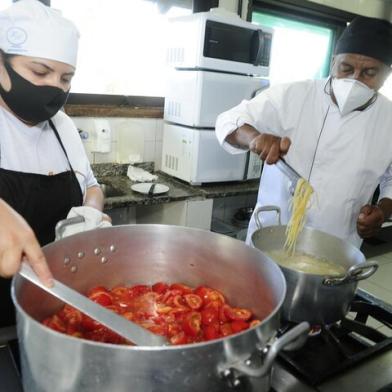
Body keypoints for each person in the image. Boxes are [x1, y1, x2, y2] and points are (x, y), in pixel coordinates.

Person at [215, 16, 392, 247]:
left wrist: (382, 210)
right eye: (346, 68)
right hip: (270, 234)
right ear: (332, 62)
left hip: (336, 244)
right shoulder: (293, 95)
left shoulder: (388, 118)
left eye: (369, 73)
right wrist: (254, 138)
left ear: (387, 73)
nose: (354, 80)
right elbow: (228, 121)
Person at [0, 0, 108, 328]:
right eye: (40, 71)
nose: (55, 88)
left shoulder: (62, 125)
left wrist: (90, 211)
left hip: (55, 306)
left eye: (66, 78)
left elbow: (90, 184)